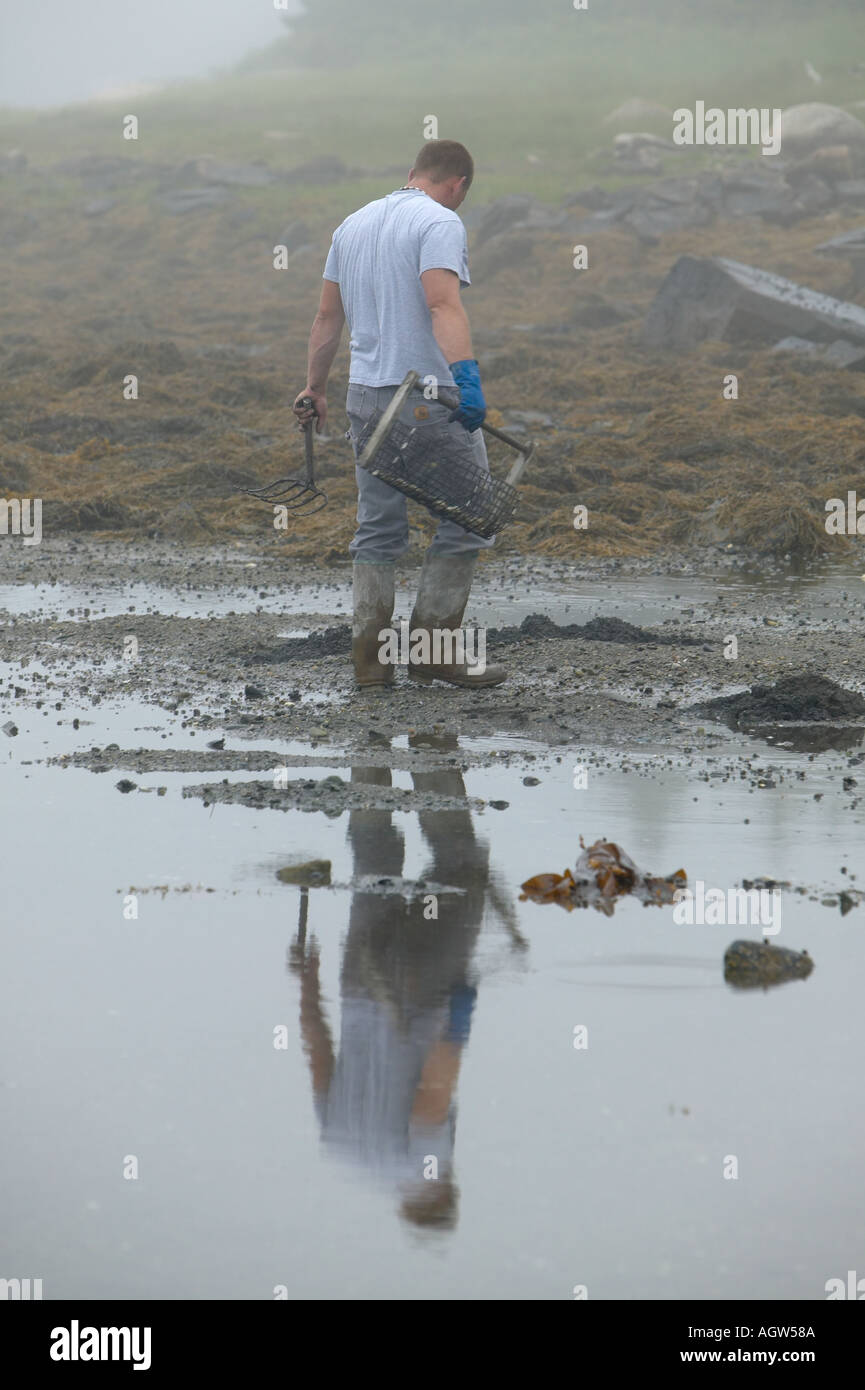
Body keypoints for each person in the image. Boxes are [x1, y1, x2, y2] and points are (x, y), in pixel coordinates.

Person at [293, 139, 506, 690]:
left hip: (364, 398)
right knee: (467, 520)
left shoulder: (353, 225)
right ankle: (434, 652)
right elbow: (441, 303)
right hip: (424, 398)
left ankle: (370, 663)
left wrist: (314, 388)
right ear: (457, 185)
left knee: (379, 530)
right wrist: (466, 377)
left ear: (412, 173)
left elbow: (325, 319)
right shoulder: (439, 223)